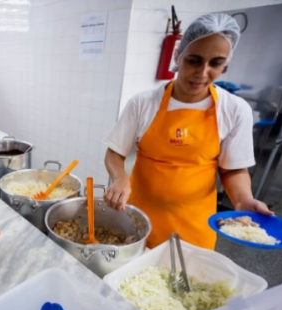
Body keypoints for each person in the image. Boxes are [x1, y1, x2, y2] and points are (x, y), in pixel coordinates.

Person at [103, 13, 272, 250]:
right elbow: (115, 152)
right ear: (178, 56)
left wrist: (243, 199)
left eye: (215, 63)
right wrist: (120, 179)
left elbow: (233, 169)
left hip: (194, 224)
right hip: (138, 218)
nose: (203, 72)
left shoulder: (234, 109)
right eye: (194, 60)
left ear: (225, 65)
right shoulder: (144, 103)